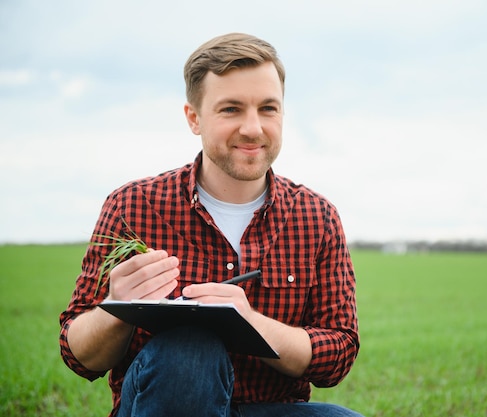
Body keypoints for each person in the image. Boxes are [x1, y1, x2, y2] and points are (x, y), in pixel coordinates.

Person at [59, 32, 362, 417]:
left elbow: (338, 353)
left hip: (269, 409)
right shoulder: (132, 206)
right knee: (189, 351)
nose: (253, 128)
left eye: (268, 108)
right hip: (162, 406)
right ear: (194, 118)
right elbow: (78, 355)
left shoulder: (316, 217)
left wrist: (250, 324)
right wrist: (117, 306)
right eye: (231, 109)